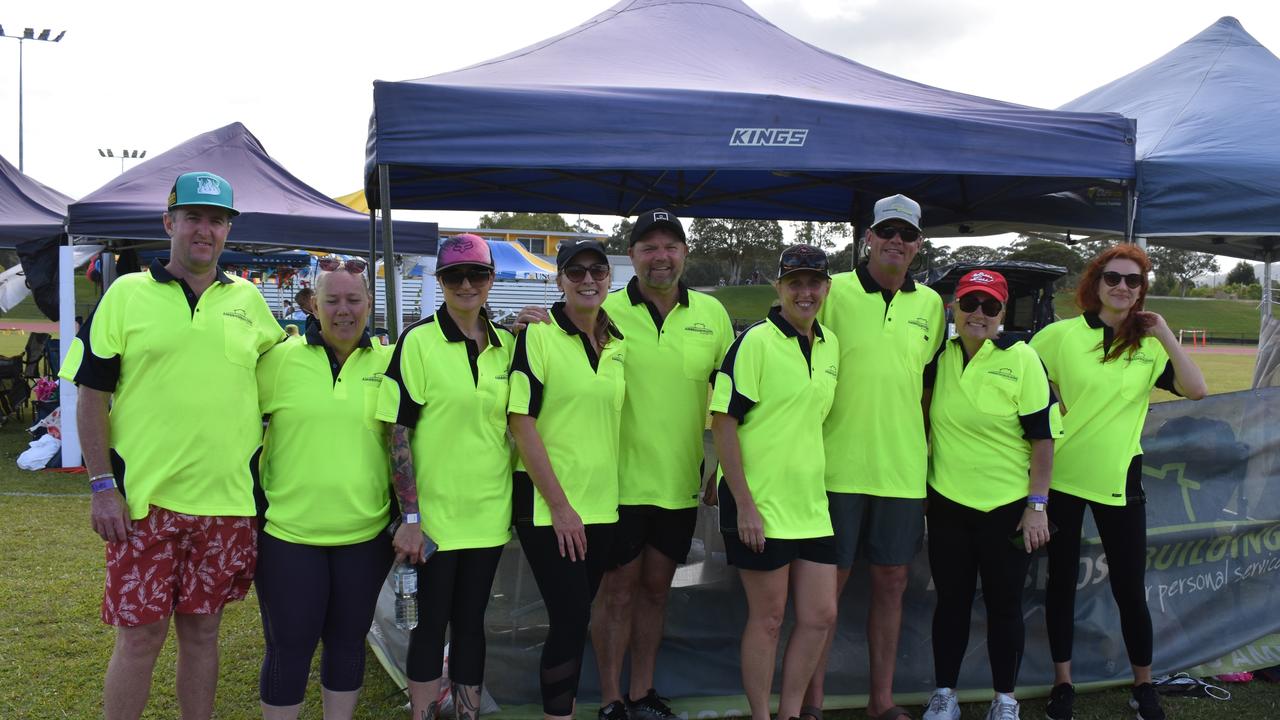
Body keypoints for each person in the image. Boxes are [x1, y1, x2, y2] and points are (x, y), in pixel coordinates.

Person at [60, 172, 283, 720]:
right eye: (193, 218)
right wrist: (101, 485)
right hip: (144, 504)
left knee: (204, 635)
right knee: (140, 638)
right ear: (170, 223)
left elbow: (289, 378)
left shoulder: (250, 301)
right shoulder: (127, 293)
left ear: (227, 230)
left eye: (216, 219)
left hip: (227, 503)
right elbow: (91, 396)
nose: (204, 230)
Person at [1031, 245, 1207, 720]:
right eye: (1113, 278)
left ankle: (1143, 685)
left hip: (1120, 478)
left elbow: (1196, 388)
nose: (1123, 287)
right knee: (1061, 585)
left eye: (1133, 281)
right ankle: (1062, 684)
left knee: (1130, 587)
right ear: (1096, 282)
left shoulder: (1149, 344)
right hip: (1063, 478)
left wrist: (1165, 331)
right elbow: (1024, 380)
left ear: (1142, 291)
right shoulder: (1059, 335)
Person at [588, 209, 733, 720]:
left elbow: (725, 400)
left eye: (669, 246)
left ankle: (642, 693)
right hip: (618, 484)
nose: (660, 256)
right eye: (648, 246)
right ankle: (610, 698)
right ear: (631, 257)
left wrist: (716, 463)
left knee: (655, 591)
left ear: (685, 254)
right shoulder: (604, 310)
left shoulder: (712, 315)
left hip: (678, 483)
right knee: (617, 592)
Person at [806, 194, 945, 720]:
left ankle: (880, 702)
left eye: (906, 234)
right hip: (834, 467)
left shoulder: (931, 305)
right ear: (868, 237)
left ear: (918, 244)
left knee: (891, 585)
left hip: (902, 472)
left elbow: (928, 390)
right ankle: (812, 702)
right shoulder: (833, 292)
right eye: (886, 231)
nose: (896, 241)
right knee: (826, 592)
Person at [379, 234, 515, 720]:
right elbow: (396, 433)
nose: (465, 284)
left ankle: (465, 714)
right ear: (440, 282)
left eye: (476, 274)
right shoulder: (418, 341)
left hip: (488, 514)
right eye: (454, 275)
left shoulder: (508, 347)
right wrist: (409, 517)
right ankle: (421, 714)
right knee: (431, 624)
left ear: (490, 281)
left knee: (472, 624)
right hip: (433, 520)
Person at [253, 260, 393, 720]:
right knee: (289, 646)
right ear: (313, 304)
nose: (343, 310)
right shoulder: (279, 360)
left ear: (369, 304)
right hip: (290, 536)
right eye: (331, 300)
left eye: (354, 300)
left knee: (348, 642)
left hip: (365, 537)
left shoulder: (392, 362)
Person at [920, 270, 1061, 720]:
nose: (978, 314)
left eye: (990, 306)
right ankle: (945, 694)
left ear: (1002, 314)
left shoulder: (1022, 359)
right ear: (954, 309)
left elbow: (1043, 438)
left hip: (1007, 510)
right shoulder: (938, 358)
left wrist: (1036, 505)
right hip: (947, 504)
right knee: (952, 604)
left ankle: (1005, 700)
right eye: (969, 304)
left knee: (1004, 606)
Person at [709, 244, 840, 720]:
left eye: (814, 283)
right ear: (779, 287)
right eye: (795, 283)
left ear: (826, 287)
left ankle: (790, 713)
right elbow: (723, 421)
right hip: (758, 504)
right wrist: (744, 503)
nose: (805, 292)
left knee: (820, 615)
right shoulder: (755, 342)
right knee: (768, 620)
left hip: (810, 505)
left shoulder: (831, 345)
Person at [508, 239, 625, 720]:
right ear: (559, 281)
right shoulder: (535, 335)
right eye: (575, 272)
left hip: (600, 504)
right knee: (571, 617)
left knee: (578, 618)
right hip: (548, 504)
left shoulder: (618, 344)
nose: (588, 279)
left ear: (608, 279)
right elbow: (520, 421)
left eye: (597, 270)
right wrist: (559, 506)